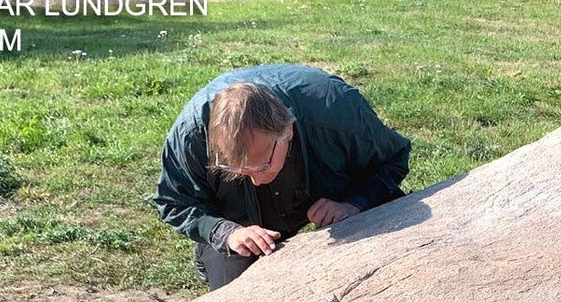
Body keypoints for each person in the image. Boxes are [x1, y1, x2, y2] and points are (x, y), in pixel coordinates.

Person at [153, 64, 411, 290]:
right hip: (240, 224)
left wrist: (355, 202)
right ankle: (208, 256)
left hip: (333, 194)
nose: (254, 180)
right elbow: (172, 201)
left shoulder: (336, 111)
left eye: (261, 166)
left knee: (394, 261)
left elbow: (394, 157)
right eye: (238, 171)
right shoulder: (192, 134)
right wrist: (222, 231)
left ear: (287, 131)